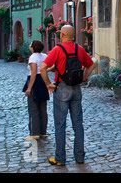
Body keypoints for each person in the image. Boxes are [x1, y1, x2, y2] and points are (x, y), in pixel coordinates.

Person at [40, 25, 96, 166]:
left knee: (60, 125)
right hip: (76, 89)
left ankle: (60, 158)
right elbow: (91, 64)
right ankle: (80, 157)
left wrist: (48, 84)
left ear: (63, 35)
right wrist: (84, 78)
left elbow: (42, 68)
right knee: (78, 124)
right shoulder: (79, 49)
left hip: (62, 88)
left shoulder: (58, 49)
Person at [23, 40, 50, 141]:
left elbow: (33, 72)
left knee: (33, 109)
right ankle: (43, 132)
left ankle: (34, 133)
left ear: (33, 47)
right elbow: (48, 67)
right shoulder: (44, 56)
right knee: (43, 109)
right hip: (43, 81)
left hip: (35, 82)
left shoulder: (33, 57)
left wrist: (29, 88)